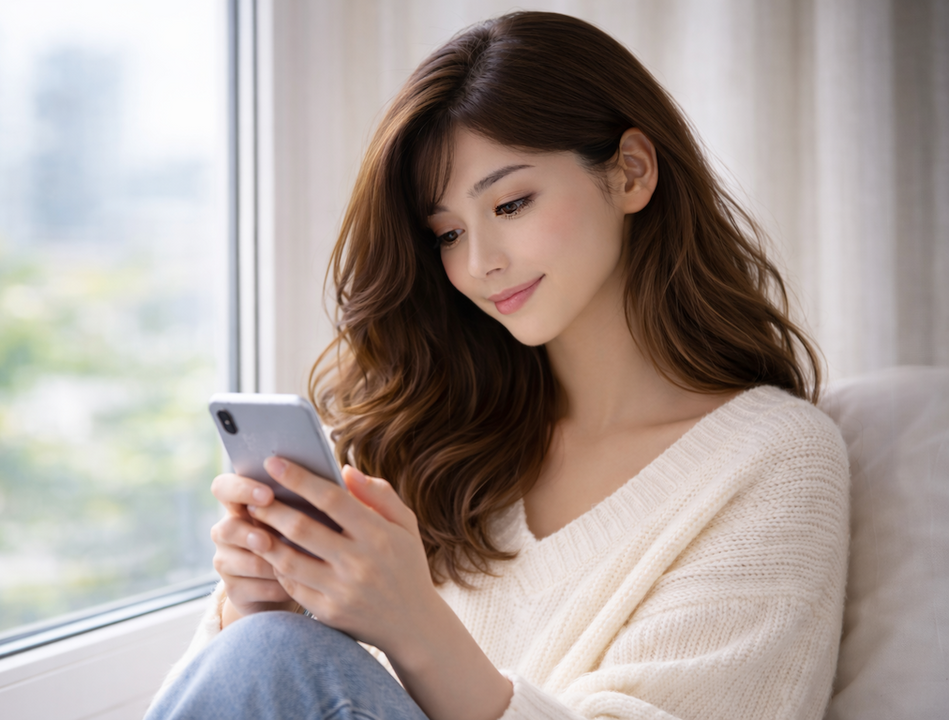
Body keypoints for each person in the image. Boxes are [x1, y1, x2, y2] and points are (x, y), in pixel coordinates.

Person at [146, 10, 849, 720]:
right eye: (447, 233)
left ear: (632, 172)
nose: (480, 262)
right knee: (262, 643)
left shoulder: (775, 460)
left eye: (511, 203)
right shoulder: (426, 437)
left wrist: (414, 625)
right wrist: (254, 602)